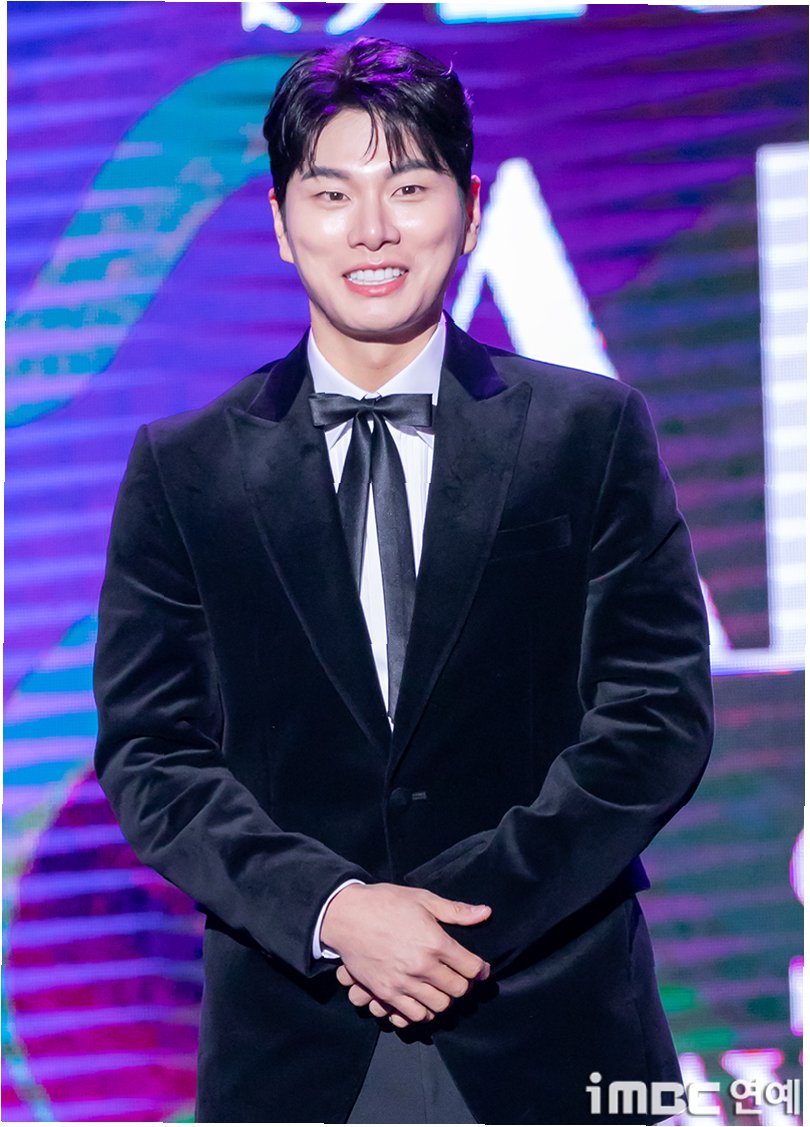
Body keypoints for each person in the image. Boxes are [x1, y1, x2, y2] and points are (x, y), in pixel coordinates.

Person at [93, 36, 714, 1125]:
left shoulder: (589, 431)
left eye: (410, 188)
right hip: (297, 1049)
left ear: (468, 211)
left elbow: (655, 716)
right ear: (281, 222)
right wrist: (335, 910)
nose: (372, 229)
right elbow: (153, 753)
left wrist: (454, 918)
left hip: (554, 1025)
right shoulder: (186, 468)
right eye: (331, 193)